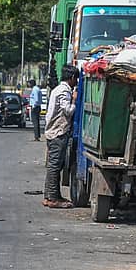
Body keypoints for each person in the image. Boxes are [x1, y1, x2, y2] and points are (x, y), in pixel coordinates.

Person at [43, 65, 79, 209]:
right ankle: (52, 198)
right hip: (58, 132)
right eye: (76, 79)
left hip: (53, 132)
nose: (76, 82)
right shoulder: (64, 91)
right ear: (72, 78)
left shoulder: (57, 89)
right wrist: (74, 100)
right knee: (55, 166)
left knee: (54, 165)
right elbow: (67, 111)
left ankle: (50, 196)